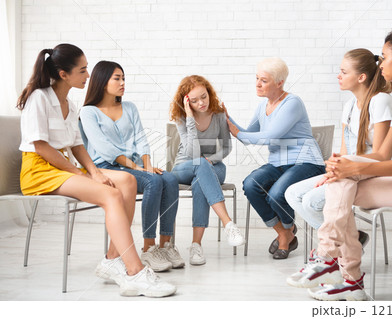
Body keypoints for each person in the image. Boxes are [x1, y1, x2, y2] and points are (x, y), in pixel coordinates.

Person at [291, 13, 392, 301]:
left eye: (384, 56)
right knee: (342, 182)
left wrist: (352, 167)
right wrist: (344, 167)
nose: (380, 63)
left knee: (344, 183)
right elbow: (381, 153)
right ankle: (345, 274)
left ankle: (332, 260)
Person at [17, 44, 176, 297]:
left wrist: (93, 171)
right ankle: (135, 272)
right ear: (63, 74)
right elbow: (41, 147)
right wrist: (79, 173)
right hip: (40, 171)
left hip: (63, 166)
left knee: (126, 181)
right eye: (82, 70)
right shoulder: (40, 98)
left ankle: (113, 259)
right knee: (111, 195)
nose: (88, 75)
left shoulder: (68, 101)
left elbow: (78, 145)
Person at [284, 48, 392, 251]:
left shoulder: (381, 101)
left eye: (344, 72)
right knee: (293, 194)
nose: (338, 76)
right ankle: (352, 239)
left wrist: (339, 172)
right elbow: (342, 151)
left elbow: (381, 157)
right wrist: (332, 171)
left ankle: (337, 248)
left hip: (376, 173)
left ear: (361, 77)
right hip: (351, 170)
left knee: (312, 201)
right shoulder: (349, 106)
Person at [79, 61, 184, 272]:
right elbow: (105, 149)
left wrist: (147, 165)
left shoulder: (129, 107)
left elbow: (141, 139)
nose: (122, 82)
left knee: (170, 178)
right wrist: (138, 168)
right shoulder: (88, 112)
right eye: (117, 78)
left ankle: (165, 245)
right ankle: (148, 248)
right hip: (106, 168)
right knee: (154, 182)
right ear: (101, 81)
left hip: (134, 166)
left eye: (123, 78)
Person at [226, 57, 326, 259]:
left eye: (263, 80)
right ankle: (285, 232)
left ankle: (286, 235)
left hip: (306, 162)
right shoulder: (262, 107)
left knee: (276, 194)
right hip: (278, 164)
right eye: (256, 78)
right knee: (251, 184)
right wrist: (226, 118)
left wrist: (237, 132)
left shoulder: (292, 103)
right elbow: (247, 136)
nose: (257, 84)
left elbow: (270, 136)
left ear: (279, 82)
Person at [169, 75, 245, 266]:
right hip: (183, 167)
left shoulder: (219, 115)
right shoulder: (182, 117)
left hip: (211, 165)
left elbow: (226, 147)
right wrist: (189, 118)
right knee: (200, 165)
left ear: (209, 92)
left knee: (200, 182)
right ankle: (228, 223)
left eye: (203, 96)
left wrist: (210, 160)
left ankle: (196, 246)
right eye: (194, 101)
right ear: (187, 102)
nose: (201, 103)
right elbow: (192, 153)